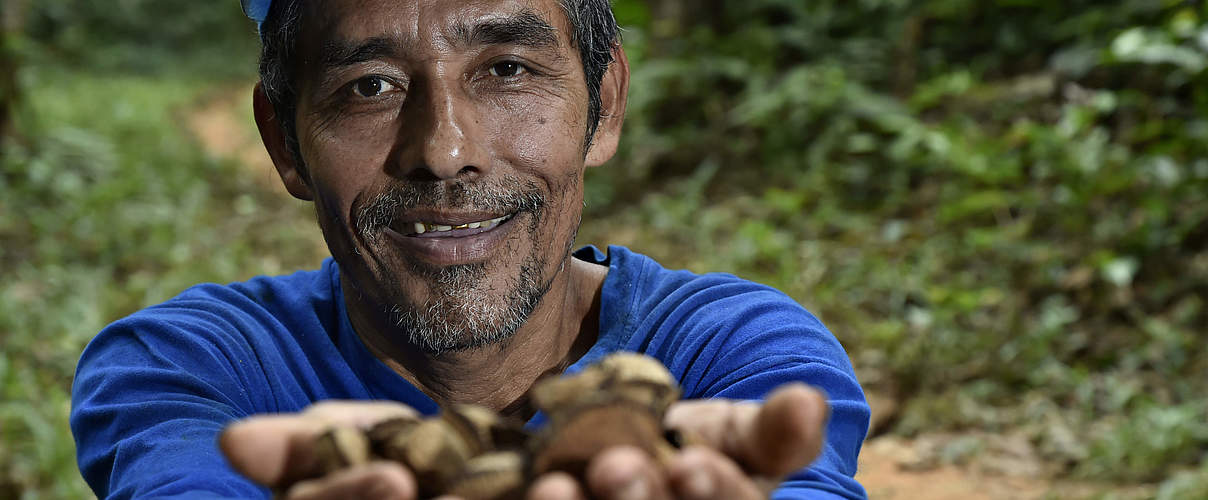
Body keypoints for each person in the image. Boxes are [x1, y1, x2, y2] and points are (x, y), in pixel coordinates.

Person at [70, 0, 870, 498]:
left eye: (509, 68)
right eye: (371, 85)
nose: (445, 151)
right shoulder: (187, 366)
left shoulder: (735, 350)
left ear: (606, 103)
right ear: (285, 141)